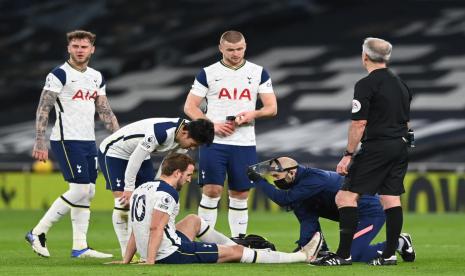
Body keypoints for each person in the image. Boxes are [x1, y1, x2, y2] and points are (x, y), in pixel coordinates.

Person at [116, 153, 322, 265]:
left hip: (155, 248)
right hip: (171, 252)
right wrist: (150, 260)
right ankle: (301, 256)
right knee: (236, 252)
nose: (189, 180)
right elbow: (154, 229)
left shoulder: (142, 188)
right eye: (187, 175)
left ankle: (232, 245)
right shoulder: (167, 194)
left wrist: (127, 260)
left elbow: (137, 226)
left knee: (193, 220)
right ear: (176, 173)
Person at [313, 37, 413, 266]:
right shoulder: (401, 84)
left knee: (345, 196)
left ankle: (343, 255)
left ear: (364, 56)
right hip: (400, 145)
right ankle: (388, 255)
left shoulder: (366, 84)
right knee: (390, 198)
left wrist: (348, 154)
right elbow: (406, 122)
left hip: (377, 146)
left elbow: (359, 123)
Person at [26, 30, 119, 258]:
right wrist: (40, 140)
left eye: (84, 47)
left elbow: (104, 110)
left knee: (88, 192)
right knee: (79, 190)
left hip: (88, 140)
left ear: (92, 49)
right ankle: (37, 232)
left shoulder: (96, 76)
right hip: (67, 140)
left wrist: (120, 136)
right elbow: (43, 108)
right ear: (69, 48)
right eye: (75, 46)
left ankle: (80, 247)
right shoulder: (59, 74)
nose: (79, 50)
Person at [184, 30, 277, 239]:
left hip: (244, 142)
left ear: (245, 46)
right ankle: (206, 240)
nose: (236, 53)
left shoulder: (258, 72)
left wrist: (254, 112)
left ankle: (238, 240)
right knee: (212, 190)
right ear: (220, 48)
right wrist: (212, 126)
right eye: (231, 50)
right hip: (214, 141)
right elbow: (190, 107)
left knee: (241, 193)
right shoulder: (208, 73)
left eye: (240, 49)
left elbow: (271, 108)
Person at [247, 157, 415, 263]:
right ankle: (320, 249)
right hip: (351, 214)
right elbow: (306, 218)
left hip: (369, 213)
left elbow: (283, 200)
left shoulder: (313, 179)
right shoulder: (300, 184)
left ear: (292, 172)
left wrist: (259, 181)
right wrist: (308, 246)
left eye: (277, 176)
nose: (276, 180)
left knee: (354, 255)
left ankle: (399, 242)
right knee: (302, 207)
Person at [98, 118, 214, 257]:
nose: (192, 148)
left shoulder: (188, 132)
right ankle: (126, 254)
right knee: (123, 201)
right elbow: (136, 158)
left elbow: (168, 165)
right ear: (184, 133)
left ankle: (146, 251)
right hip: (115, 151)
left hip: (141, 153)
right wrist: (128, 188)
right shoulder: (161, 133)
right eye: (193, 144)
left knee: (149, 201)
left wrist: (160, 187)